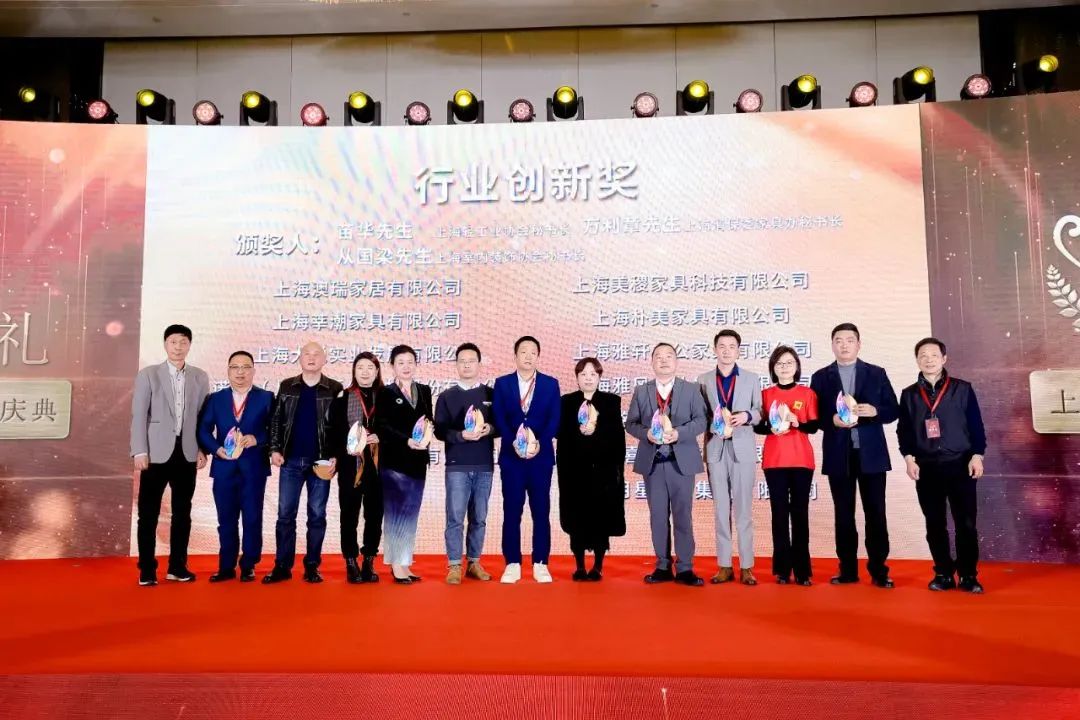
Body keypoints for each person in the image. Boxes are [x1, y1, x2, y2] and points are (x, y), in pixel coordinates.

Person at [810, 323, 899, 589]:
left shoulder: (876, 373)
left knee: (876, 513)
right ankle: (847, 569)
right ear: (832, 345)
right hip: (839, 455)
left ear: (859, 344)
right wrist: (831, 420)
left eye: (850, 340)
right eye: (839, 340)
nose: (844, 345)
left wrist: (875, 411)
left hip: (871, 455)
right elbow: (814, 417)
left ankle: (879, 570)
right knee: (843, 514)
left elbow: (893, 409)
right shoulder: (821, 377)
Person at [898, 337, 986, 594]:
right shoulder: (909, 395)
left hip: (961, 465)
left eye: (934, 355)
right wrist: (908, 458)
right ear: (917, 360)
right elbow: (904, 431)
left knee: (966, 524)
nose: (928, 360)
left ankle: (968, 575)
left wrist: (977, 455)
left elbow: (976, 425)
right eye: (923, 356)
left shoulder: (962, 389)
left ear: (944, 359)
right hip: (927, 467)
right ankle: (943, 573)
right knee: (934, 523)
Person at [130, 324, 210, 586]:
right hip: (155, 453)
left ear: (190, 345)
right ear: (165, 344)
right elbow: (139, 415)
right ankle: (147, 569)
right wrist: (139, 450)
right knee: (148, 513)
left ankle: (177, 566)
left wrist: (202, 448)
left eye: (183, 342)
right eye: (173, 342)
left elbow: (202, 417)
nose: (178, 347)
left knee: (182, 513)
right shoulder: (149, 374)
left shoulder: (200, 377)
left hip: (186, 453)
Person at [626, 343, 708, 586]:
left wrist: (679, 433)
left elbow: (701, 421)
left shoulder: (691, 390)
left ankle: (685, 568)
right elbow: (631, 424)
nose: (663, 360)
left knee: (683, 515)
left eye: (669, 356)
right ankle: (662, 565)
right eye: (658, 357)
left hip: (681, 463)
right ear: (652, 362)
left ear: (676, 361)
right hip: (653, 464)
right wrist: (646, 434)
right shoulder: (642, 391)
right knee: (658, 517)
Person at [264, 342, 343, 584]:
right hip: (291, 460)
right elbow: (276, 420)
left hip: (322, 462)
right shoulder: (287, 385)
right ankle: (282, 566)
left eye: (316, 354)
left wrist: (336, 455)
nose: (311, 357)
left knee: (317, 515)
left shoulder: (334, 388)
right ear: (299, 359)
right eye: (306, 354)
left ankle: (312, 566)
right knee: (285, 515)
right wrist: (274, 449)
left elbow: (340, 427)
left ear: (324, 359)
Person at [196, 351, 274, 583]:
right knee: (226, 520)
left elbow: (276, 430)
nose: (240, 372)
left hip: (254, 468)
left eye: (246, 367)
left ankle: (249, 564)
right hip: (224, 468)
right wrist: (215, 449)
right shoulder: (216, 399)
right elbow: (203, 430)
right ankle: (226, 566)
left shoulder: (266, 397)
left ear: (253, 370)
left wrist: (257, 439)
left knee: (252, 518)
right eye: (235, 367)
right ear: (228, 370)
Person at [491, 336, 561, 584]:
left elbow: (554, 418)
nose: (528, 356)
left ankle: (541, 562)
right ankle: (512, 563)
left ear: (538, 356)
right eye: (523, 352)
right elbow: (498, 416)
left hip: (541, 458)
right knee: (512, 510)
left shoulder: (550, 384)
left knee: (541, 511)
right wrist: (514, 441)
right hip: (512, 458)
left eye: (533, 352)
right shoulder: (503, 383)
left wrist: (539, 441)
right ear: (515, 356)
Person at [697, 329, 763, 586]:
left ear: (738, 350)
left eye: (731, 346)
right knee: (721, 509)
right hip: (715, 448)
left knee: (744, 510)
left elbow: (760, 411)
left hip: (743, 448)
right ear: (714, 349)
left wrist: (747, 416)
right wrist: (712, 423)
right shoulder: (703, 379)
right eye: (722, 346)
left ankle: (747, 566)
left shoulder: (751, 378)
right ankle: (724, 565)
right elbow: (699, 414)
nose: (726, 350)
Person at [753, 346, 819, 586]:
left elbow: (813, 427)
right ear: (773, 367)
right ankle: (782, 569)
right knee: (779, 515)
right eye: (779, 363)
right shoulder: (765, 394)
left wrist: (796, 421)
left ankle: (802, 571)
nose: (784, 367)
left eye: (789, 362)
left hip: (801, 460)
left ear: (797, 366)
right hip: (774, 461)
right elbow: (757, 426)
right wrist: (770, 428)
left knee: (800, 514)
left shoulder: (807, 393)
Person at [556, 357, 626, 581]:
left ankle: (597, 566)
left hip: (602, 472)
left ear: (599, 377)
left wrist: (596, 431)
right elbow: (560, 434)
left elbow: (617, 436)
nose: (588, 378)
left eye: (593, 374)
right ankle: (579, 565)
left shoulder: (611, 401)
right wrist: (578, 431)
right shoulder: (566, 402)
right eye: (583, 374)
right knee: (576, 517)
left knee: (600, 517)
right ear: (577, 377)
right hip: (574, 471)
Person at [434, 342, 498, 584]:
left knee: (479, 517)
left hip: (484, 465)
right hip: (457, 465)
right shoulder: (446, 397)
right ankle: (453, 565)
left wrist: (489, 428)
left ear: (479, 364)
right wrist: (461, 435)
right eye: (462, 361)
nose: (467, 365)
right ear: (457, 365)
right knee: (455, 518)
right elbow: (439, 430)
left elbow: (502, 425)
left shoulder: (491, 395)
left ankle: (474, 562)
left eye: (471, 361)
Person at [373, 345, 433, 584]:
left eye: (410, 362)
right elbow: (382, 426)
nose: (406, 367)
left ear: (416, 364)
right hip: (394, 462)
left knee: (410, 513)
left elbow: (429, 421)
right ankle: (396, 564)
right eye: (401, 363)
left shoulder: (424, 390)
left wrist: (427, 435)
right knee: (395, 513)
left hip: (418, 461)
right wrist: (406, 440)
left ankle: (405, 561)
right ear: (392, 366)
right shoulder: (385, 393)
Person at [327, 351, 385, 584]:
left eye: (370, 367)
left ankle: (369, 560)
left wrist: (380, 436)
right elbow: (333, 432)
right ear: (354, 371)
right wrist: (342, 450)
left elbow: (393, 428)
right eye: (360, 367)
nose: (365, 372)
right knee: (348, 515)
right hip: (350, 465)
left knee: (375, 515)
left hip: (379, 466)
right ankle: (350, 561)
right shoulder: (343, 398)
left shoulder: (387, 397)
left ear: (377, 371)